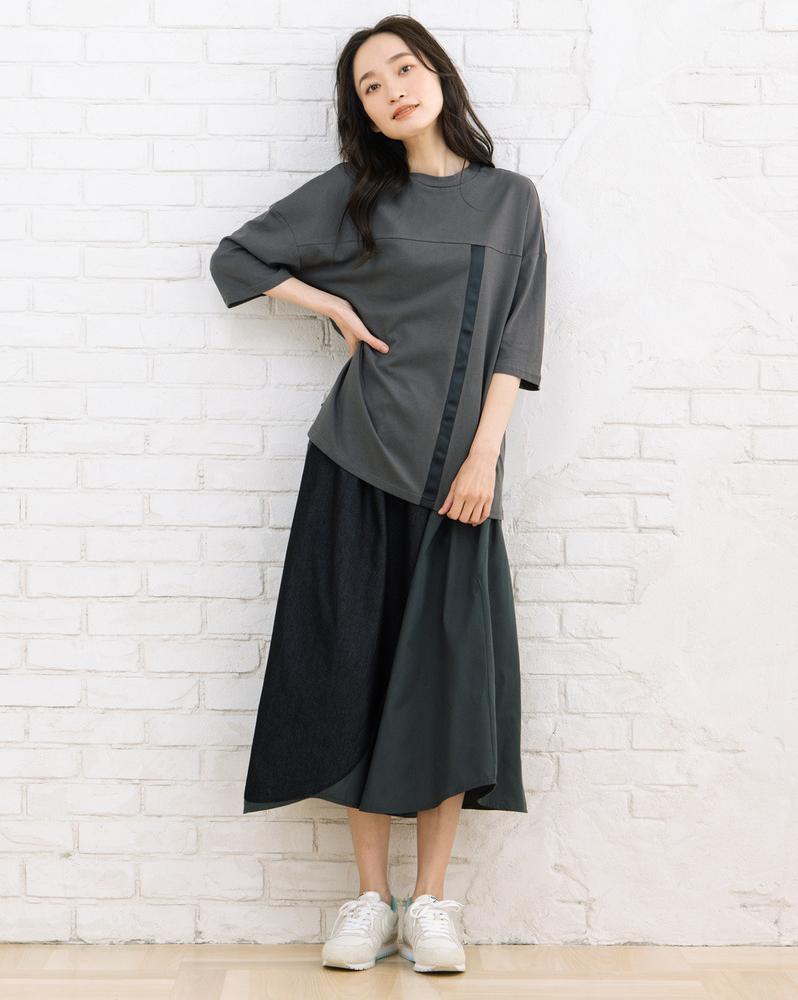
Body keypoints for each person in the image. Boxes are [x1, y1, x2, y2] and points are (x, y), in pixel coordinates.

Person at [208, 14, 547, 976]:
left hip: (459, 486)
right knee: (352, 668)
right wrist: (330, 305)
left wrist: (484, 460)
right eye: (370, 84)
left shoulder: (511, 201)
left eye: (404, 67)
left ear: (438, 74)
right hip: (358, 461)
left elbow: (516, 346)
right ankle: (370, 899)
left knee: (447, 685)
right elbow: (237, 257)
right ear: (361, 111)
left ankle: (431, 904)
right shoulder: (359, 195)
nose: (393, 88)